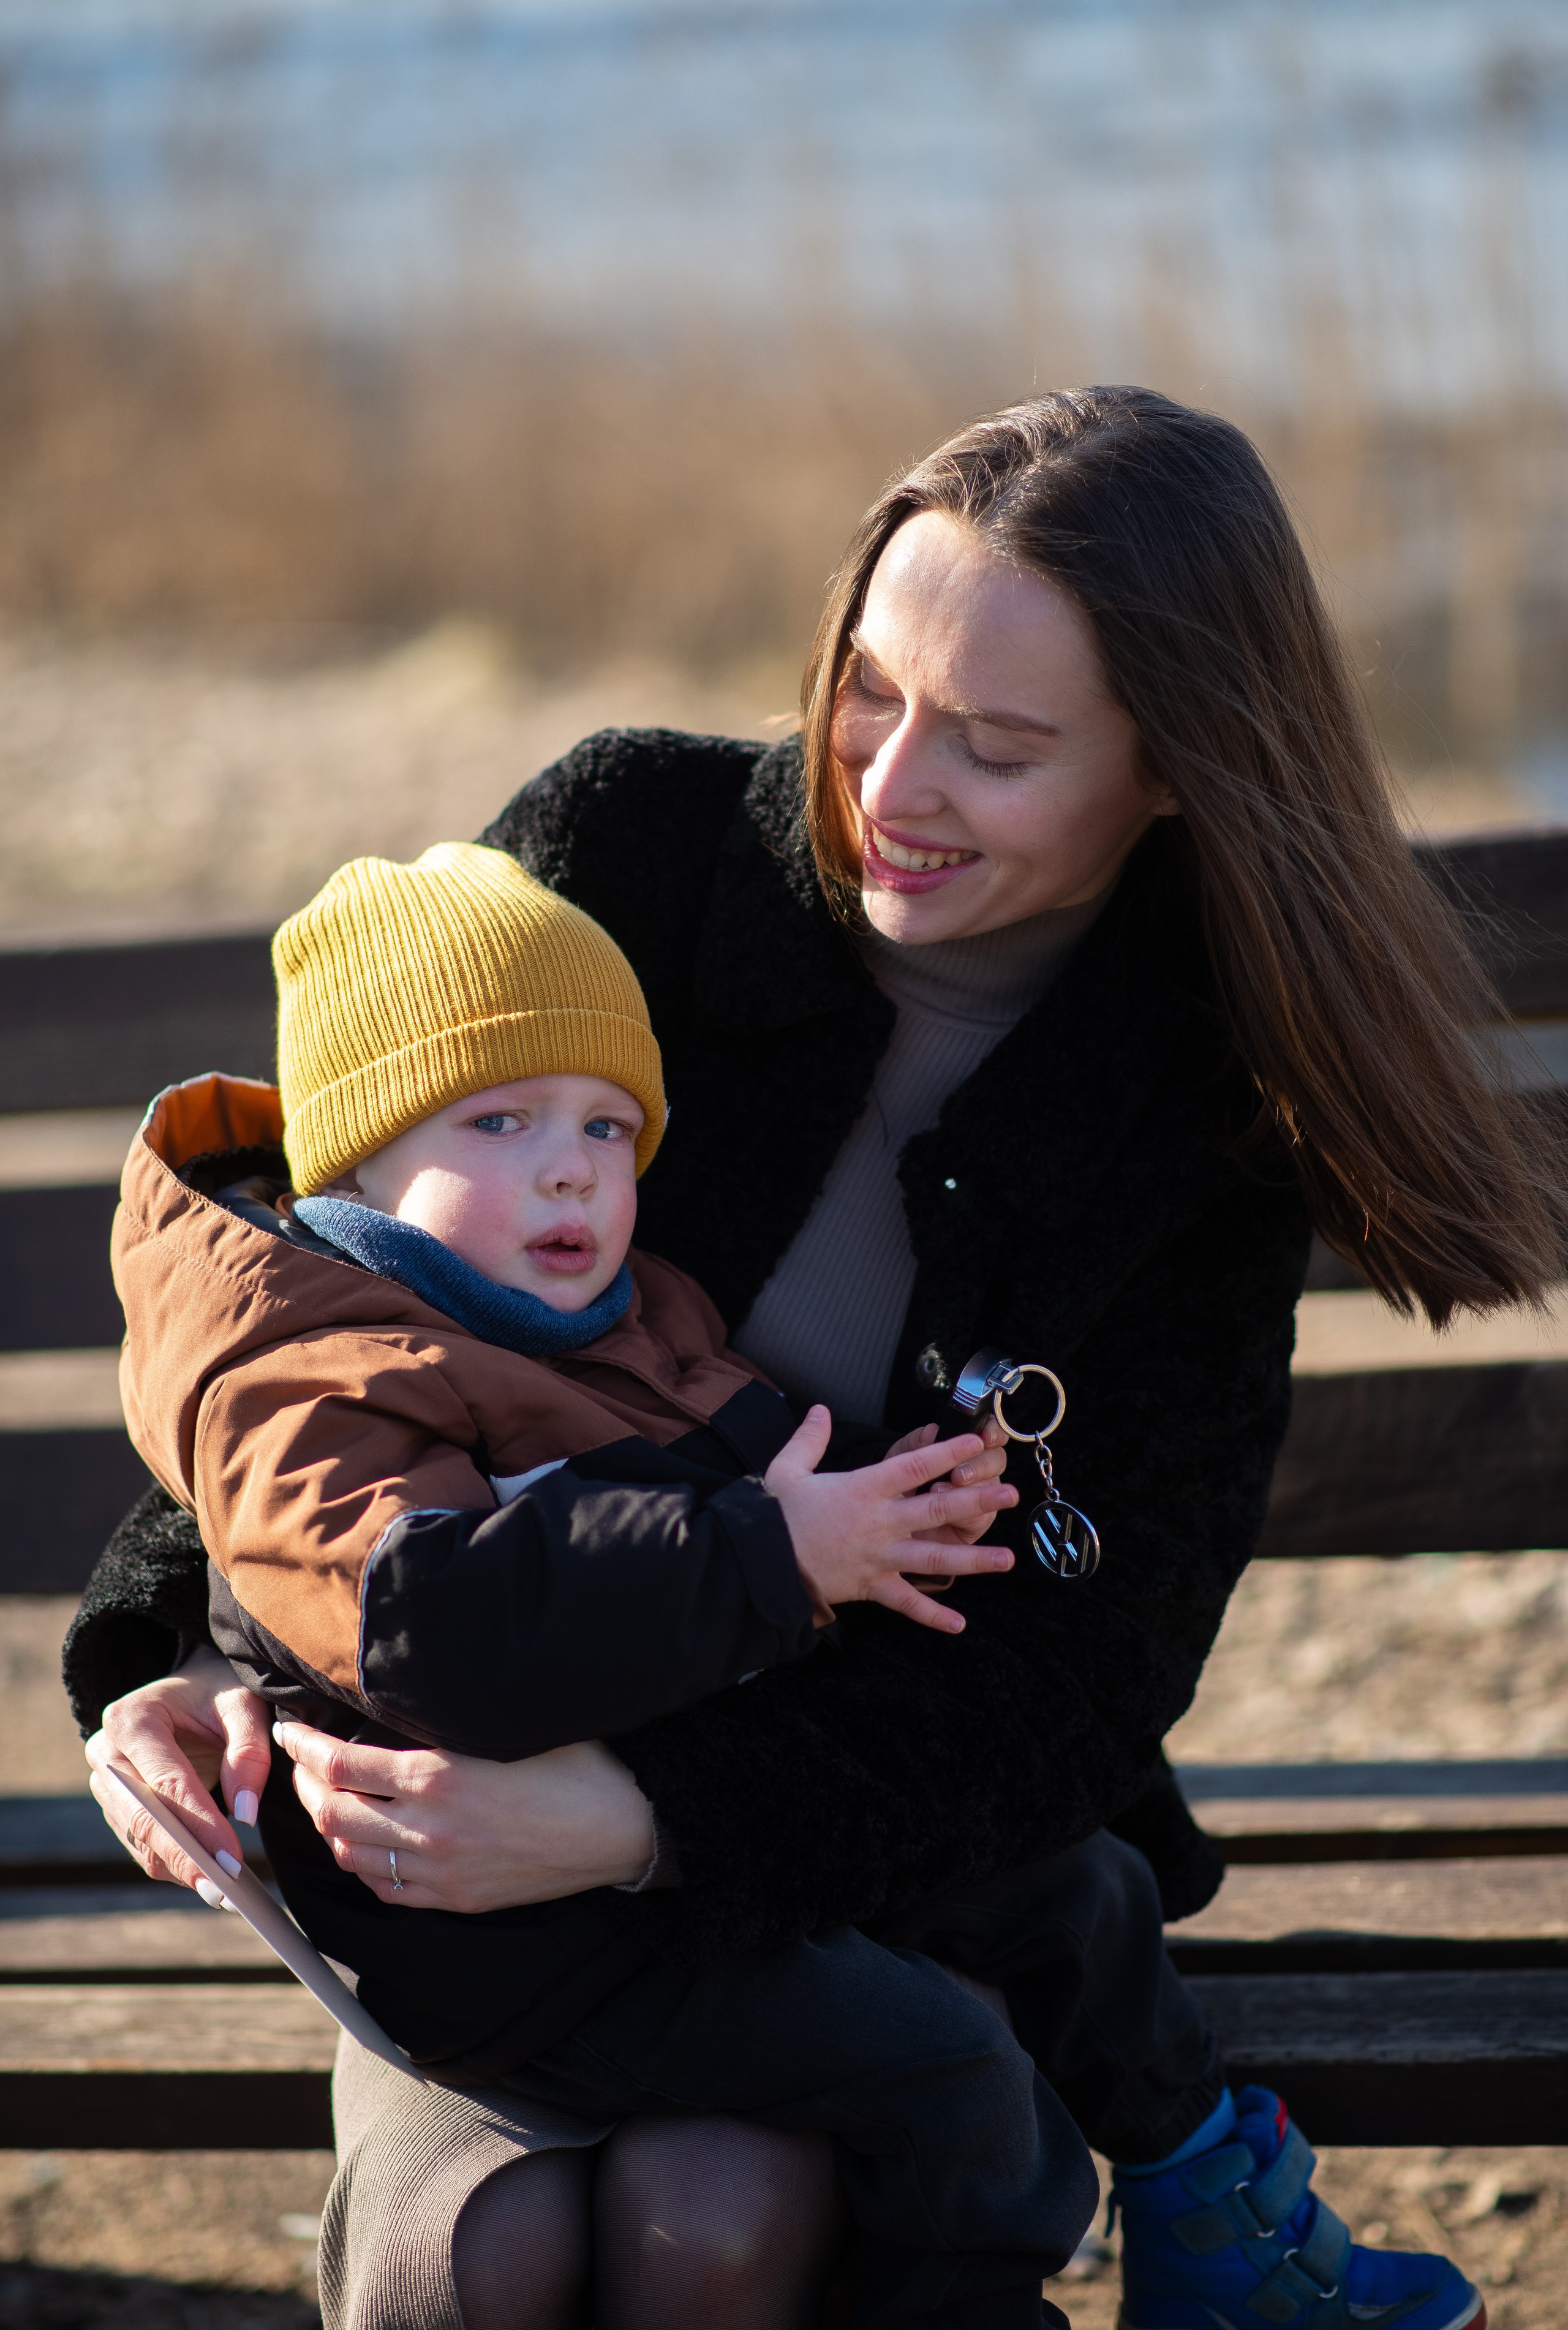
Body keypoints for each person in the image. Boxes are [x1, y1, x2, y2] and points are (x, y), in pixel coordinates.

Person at [72, 389, 1561, 2330]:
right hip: (438, 1815)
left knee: (719, 2220)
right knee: (480, 2261)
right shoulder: (639, 840)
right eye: (872, 691)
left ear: (1177, 768)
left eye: (1002, 746)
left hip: (864, 1836)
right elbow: (313, 1284)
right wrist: (165, 1659)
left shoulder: (1190, 1109)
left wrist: (644, 1817)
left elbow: (1076, 1687)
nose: (894, 784)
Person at [113, 839, 1090, 2328]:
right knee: (953, 2078)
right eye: (499, 1119)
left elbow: (720, 1453)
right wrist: (770, 1552)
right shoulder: (313, 1373)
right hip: (496, 1943)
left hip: (638, 1864)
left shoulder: (599, 1307)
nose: (570, 1163)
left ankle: (1191, 2161)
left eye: (607, 1125)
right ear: (356, 1161)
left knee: (1073, 1892)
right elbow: (427, 1621)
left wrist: (886, 1507)